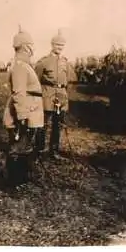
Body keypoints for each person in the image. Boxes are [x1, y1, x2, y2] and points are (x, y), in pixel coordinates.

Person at [2, 30, 45, 172]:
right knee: (19, 146)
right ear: (26, 47)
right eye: (32, 45)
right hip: (25, 112)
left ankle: (20, 176)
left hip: (29, 110)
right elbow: (18, 93)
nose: (34, 48)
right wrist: (22, 117)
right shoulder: (20, 66)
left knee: (25, 145)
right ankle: (13, 179)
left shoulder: (23, 64)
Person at [35, 30, 76, 159]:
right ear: (52, 45)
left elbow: (71, 80)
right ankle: (40, 150)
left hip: (61, 96)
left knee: (57, 124)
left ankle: (54, 151)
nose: (60, 48)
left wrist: (65, 95)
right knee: (44, 124)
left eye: (62, 45)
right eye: (58, 45)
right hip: (48, 95)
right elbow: (36, 80)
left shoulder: (65, 62)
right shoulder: (44, 61)